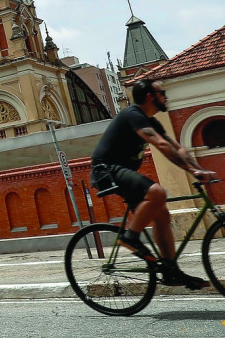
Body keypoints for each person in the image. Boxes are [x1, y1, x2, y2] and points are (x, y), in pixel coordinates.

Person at [91, 78, 216, 290]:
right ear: (150, 97)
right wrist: (191, 171)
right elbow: (159, 144)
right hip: (107, 171)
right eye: (162, 93)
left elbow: (177, 147)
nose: (166, 97)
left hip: (125, 172)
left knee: (162, 214)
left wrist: (199, 169)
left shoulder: (152, 121)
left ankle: (170, 270)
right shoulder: (133, 115)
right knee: (158, 193)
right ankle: (131, 237)